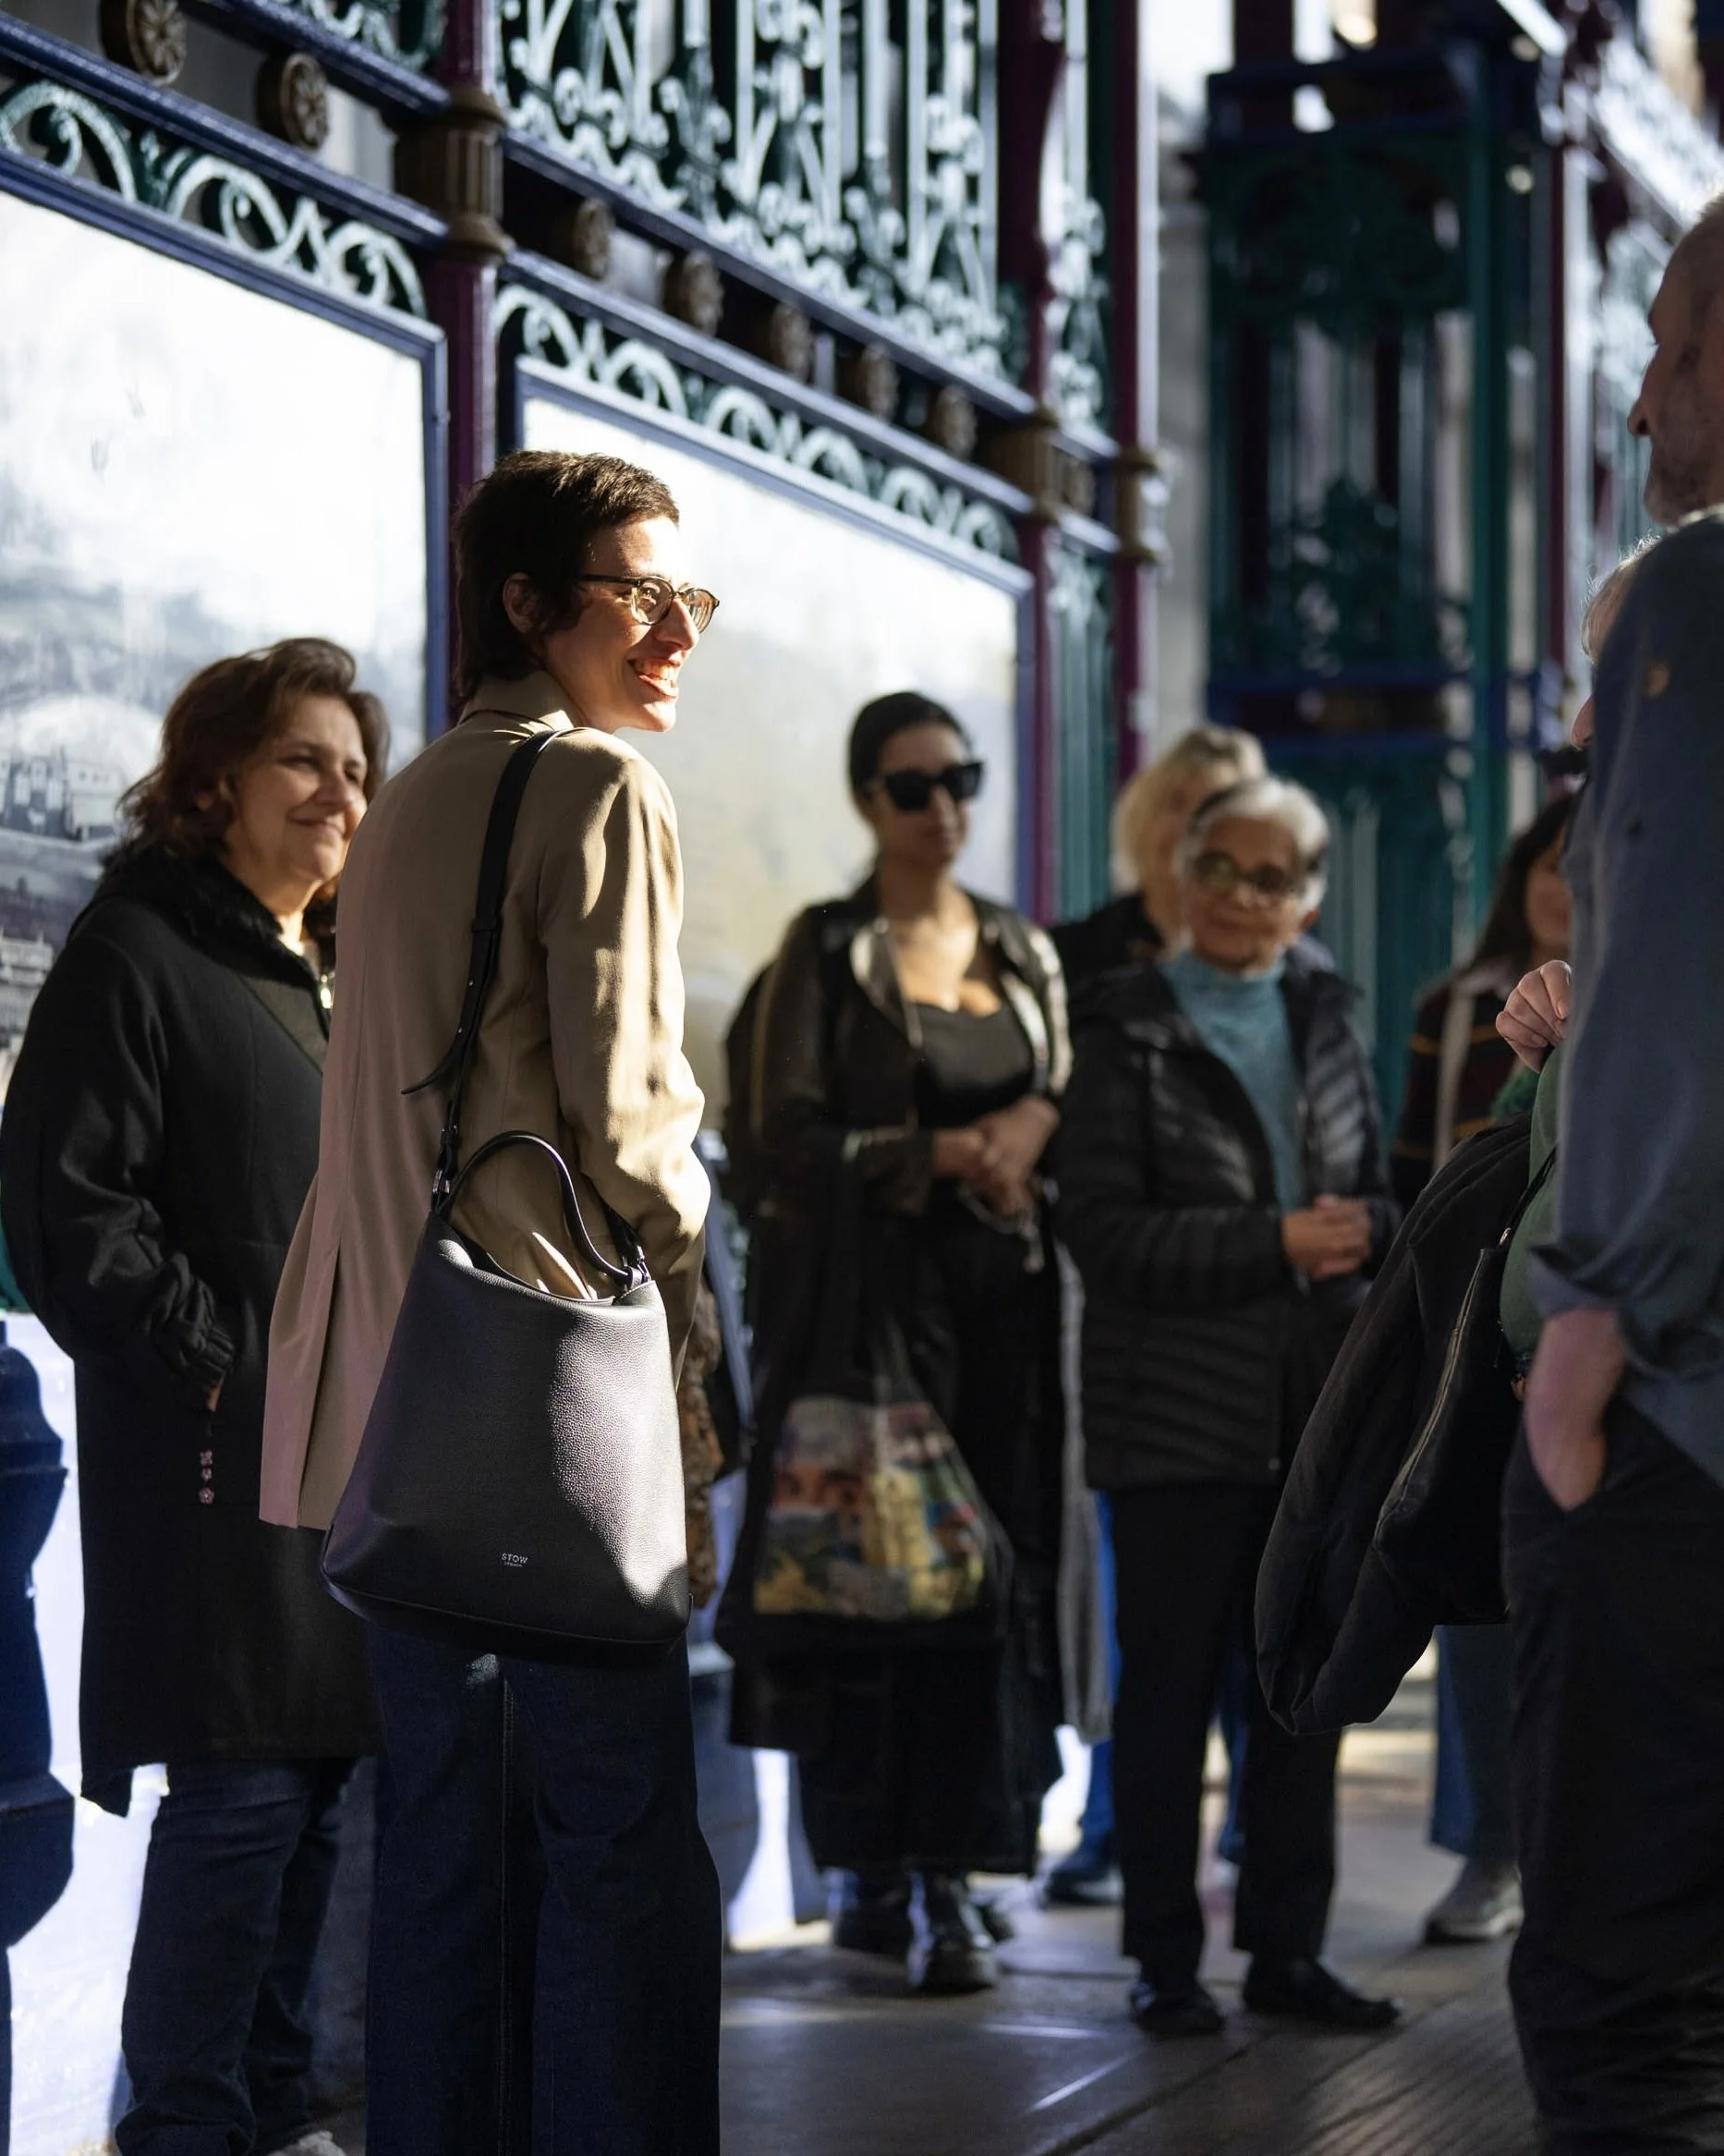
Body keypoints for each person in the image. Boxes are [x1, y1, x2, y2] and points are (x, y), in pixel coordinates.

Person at [259, 452, 720, 2155]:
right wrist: (695, 1307)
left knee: (443, 1842)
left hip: (388, 1395)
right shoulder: (598, 785)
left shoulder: (408, 810)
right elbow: (630, 1126)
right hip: (544, 1393)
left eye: (690, 597)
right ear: (530, 605)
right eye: (637, 592)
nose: (674, 629)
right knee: (621, 1841)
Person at [0, 639, 385, 2156]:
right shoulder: (139, 951)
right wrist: (227, 1357)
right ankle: (181, 2120)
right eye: (304, 758)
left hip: (345, 1459)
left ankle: (273, 2113)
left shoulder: (324, 979)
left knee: (314, 1792)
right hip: (223, 1456)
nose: (338, 792)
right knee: (241, 1788)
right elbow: (69, 1222)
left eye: (355, 768)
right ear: (214, 776)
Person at [731, 690, 1069, 1995]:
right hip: (870, 1320)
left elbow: (1062, 1098)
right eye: (913, 784)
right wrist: (930, 1151)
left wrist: (1029, 1128)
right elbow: (775, 1149)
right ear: (868, 799)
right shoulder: (825, 952)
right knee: (883, 1586)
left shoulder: (1020, 949)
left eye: (961, 778)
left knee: (990, 1582)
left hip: (1008, 1312)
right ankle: (893, 1873)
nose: (945, 806)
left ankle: (957, 1860)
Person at [1058, 774, 1401, 2038]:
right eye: (1220, 869)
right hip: (1170, 1423)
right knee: (1164, 1703)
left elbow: (1372, 1197)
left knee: (1296, 1700)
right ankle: (1161, 1958)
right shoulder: (1123, 1026)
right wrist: (1271, 1240)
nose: (1242, 899)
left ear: (1307, 897)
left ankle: (1285, 1952)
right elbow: (1099, 1232)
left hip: (1312, 1418)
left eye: (1273, 879)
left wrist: (1363, 1227)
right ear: (1181, 872)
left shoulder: (1327, 1015)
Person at [1508, 313, 1724, 2138]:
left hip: (1684, 1409)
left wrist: (1583, 1342)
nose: (1645, 391)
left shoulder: (1699, 598)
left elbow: (1682, 978)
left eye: (1669, 342)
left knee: (1617, 1992)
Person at [1044, 725, 1267, 1908]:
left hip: (1255, 1327)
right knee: (1134, 1588)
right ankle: (1111, 1816)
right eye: (1185, 811)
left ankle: (1245, 1826)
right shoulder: (1086, 958)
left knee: (1252, 1583)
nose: (1204, 836)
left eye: (1227, 811)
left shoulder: (1288, 972)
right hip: (1128, 1313)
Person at [1388, 795, 1573, 1949]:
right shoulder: (1464, 1009)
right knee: (1473, 1603)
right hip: (1476, 1339)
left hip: (1584, 1357)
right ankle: (1492, 1846)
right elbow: (1419, 1174)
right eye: (1550, 864)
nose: (1567, 882)